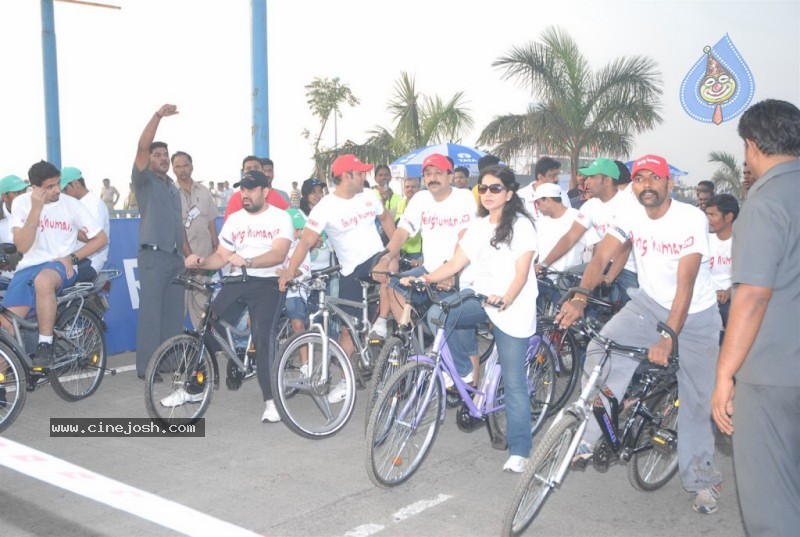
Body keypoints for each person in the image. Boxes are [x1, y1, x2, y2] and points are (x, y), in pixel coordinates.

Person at [557, 154, 723, 515]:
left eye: (654, 178)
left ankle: (701, 479)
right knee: (600, 350)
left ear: (668, 183)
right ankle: (589, 437)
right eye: (640, 178)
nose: (646, 184)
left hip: (694, 315)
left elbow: (686, 283)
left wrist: (668, 337)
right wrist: (581, 298)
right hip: (648, 304)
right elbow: (602, 256)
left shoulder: (689, 218)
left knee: (696, 402)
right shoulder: (629, 213)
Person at [401, 165, 538, 473]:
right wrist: (424, 278)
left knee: (514, 382)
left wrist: (507, 297)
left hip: (511, 306)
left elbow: (521, 272)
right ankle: (463, 375)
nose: (488, 194)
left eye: (496, 188)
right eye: (484, 188)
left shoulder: (521, 226)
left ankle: (520, 450)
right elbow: (455, 263)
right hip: (481, 299)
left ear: (509, 193)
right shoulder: (478, 226)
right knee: (445, 313)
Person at [711, 99, 800, 536]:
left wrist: (725, 375)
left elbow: (751, 298)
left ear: (751, 146)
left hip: (773, 377)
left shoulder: (766, 202)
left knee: (773, 505)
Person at [178, 170, 292, 423]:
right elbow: (220, 256)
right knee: (207, 326)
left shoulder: (280, 218)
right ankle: (194, 390)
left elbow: (278, 255)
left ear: (265, 192)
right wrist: (200, 262)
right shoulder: (235, 219)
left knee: (263, 339)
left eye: (251, 190)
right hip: (236, 281)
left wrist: (248, 260)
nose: (245, 194)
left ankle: (272, 401)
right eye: (243, 190)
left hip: (267, 284)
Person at [279, 154, 395, 391]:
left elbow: (385, 219)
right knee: (346, 329)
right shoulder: (325, 207)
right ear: (346, 176)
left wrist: (396, 251)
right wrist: (290, 271)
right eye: (360, 173)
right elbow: (305, 242)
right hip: (350, 269)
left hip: (376, 258)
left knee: (388, 264)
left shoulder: (370, 196)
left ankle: (382, 320)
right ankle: (345, 381)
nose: (365, 176)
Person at [372, 154, 477, 376]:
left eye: (438, 173)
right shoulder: (420, 200)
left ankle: (472, 393)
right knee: (394, 284)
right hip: (429, 270)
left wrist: (453, 270)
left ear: (450, 175)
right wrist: (385, 257)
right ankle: (414, 339)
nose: (432, 178)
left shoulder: (464, 197)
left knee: (465, 343)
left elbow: (465, 237)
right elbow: (402, 232)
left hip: (461, 273)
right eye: (428, 174)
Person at [1, 160, 107, 368]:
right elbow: (22, 247)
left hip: (60, 265)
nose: (57, 190)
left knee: (43, 280)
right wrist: (36, 209)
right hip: (26, 270)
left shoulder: (71, 204)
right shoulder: (22, 203)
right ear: (35, 188)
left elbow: (101, 238)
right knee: (5, 326)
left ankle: (45, 344)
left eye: (58, 183)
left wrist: (72, 258)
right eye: (50, 187)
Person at [131, 104, 186, 379]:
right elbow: (141, 147)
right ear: (149, 159)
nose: (163, 158)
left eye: (166, 154)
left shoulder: (173, 189)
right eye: (158, 155)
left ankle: (170, 362)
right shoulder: (144, 182)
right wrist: (157, 117)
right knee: (151, 315)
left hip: (176, 259)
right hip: (153, 257)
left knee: (174, 316)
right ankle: (147, 368)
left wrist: (188, 256)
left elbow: (180, 228)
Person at [538, 157, 638, 305]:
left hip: (628, 268)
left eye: (592, 177)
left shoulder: (628, 204)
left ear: (608, 181)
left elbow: (625, 248)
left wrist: (609, 277)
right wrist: (544, 264)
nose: (586, 181)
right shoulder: (590, 206)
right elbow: (571, 237)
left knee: (624, 310)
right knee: (566, 279)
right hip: (602, 263)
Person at [172, 151, 219, 329]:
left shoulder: (204, 192)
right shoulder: (171, 193)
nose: (182, 169)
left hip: (204, 259)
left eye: (185, 165)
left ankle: (202, 351)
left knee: (202, 307)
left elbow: (211, 222)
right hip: (182, 260)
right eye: (178, 166)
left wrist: (215, 247)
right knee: (178, 308)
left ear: (192, 166)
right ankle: (177, 349)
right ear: (173, 169)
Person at [533, 182, 599, 307]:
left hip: (568, 282)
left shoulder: (578, 218)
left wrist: (593, 272)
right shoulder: (540, 222)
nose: (537, 207)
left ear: (547, 200)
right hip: (543, 280)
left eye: (538, 203)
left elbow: (596, 244)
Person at [60, 166, 110, 282]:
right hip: (75, 259)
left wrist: (69, 228)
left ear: (76, 183)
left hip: (90, 261)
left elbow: (95, 239)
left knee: (50, 283)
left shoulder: (94, 205)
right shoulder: (77, 203)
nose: (63, 193)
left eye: (65, 189)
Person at [704, 194, 738, 330]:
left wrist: (731, 291)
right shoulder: (704, 240)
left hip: (732, 302)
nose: (708, 220)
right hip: (707, 299)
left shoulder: (742, 242)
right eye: (707, 214)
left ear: (728, 217)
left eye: (713, 215)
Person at [224, 156, 289, 219]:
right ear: (243, 171)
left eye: (256, 168)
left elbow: (291, 219)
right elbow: (229, 226)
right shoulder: (235, 198)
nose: (252, 170)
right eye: (248, 168)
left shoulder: (274, 196)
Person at [0, 175, 28, 278]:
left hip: (32, 275)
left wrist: (20, 254)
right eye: (16, 193)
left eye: (23, 191)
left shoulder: (36, 211)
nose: (22, 196)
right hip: (4, 277)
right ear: (4, 197)